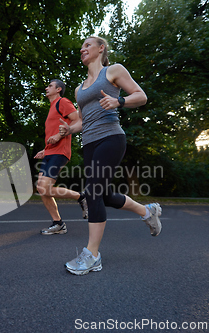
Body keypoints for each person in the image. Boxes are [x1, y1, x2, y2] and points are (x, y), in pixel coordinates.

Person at [58, 36, 162, 275]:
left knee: (92, 191)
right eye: (81, 47)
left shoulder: (113, 71)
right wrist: (68, 129)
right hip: (90, 143)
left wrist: (119, 101)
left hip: (111, 138)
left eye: (87, 45)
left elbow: (141, 96)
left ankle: (92, 255)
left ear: (101, 48)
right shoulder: (79, 88)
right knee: (102, 195)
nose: (82, 49)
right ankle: (148, 212)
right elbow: (83, 122)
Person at [34, 79, 88, 235]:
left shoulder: (62, 102)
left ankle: (81, 196)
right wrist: (45, 150)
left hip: (60, 151)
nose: (46, 87)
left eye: (50, 86)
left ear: (58, 89)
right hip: (50, 152)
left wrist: (59, 135)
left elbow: (78, 120)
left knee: (44, 188)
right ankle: (58, 224)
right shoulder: (52, 107)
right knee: (42, 190)